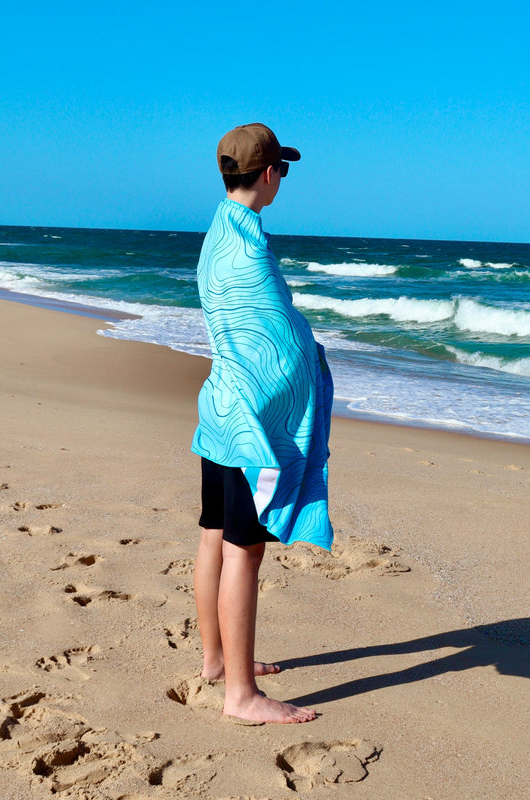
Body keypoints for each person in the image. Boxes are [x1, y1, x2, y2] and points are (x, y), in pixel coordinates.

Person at [191, 123, 333, 724]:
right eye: (284, 170)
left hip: (221, 410)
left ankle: (217, 661)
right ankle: (242, 696)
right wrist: (312, 373)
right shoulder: (249, 250)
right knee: (244, 552)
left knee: (214, 535)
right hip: (250, 425)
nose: (283, 180)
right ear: (270, 172)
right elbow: (276, 343)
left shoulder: (220, 231)